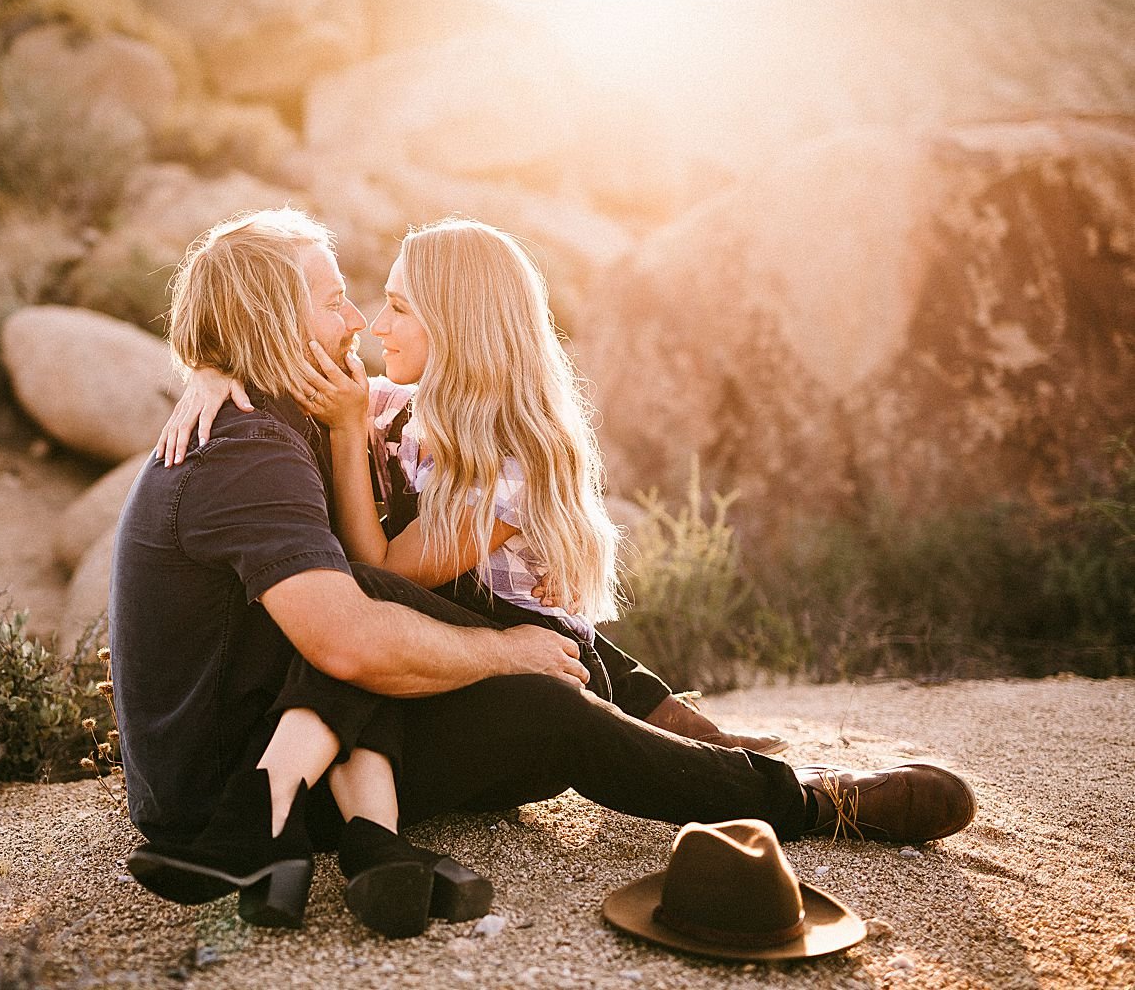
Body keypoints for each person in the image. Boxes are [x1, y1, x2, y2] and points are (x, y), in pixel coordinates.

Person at [111, 208, 977, 940]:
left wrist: (216, 363)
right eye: (336, 300)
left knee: (536, 632)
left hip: (281, 721)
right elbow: (353, 630)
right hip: (218, 785)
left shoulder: (298, 414)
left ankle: (689, 732)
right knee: (541, 693)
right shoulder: (248, 452)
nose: (357, 323)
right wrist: (509, 656)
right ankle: (814, 804)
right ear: (274, 321)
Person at [160, 219, 783, 754]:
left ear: (458, 325)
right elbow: (275, 359)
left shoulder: (507, 462)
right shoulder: (398, 407)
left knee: (611, 709)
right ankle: (697, 733)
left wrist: (350, 437)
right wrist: (210, 371)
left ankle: (729, 764)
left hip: (537, 652)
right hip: (488, 630)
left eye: (400, 308)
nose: (375, 326)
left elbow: (383, 572)